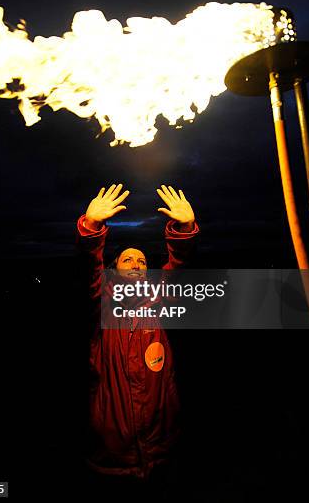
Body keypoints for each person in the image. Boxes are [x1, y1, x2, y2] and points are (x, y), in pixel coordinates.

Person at [76, 183, 199, 497]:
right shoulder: (101, 305)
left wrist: (184, 229)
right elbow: (89, 267)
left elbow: (179, 268)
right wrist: (91, 227)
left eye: (142, 262)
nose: (136, 264)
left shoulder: (159, 304)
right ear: (112, 271)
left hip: (162, 448)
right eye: (127, 260)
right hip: (112, 456)